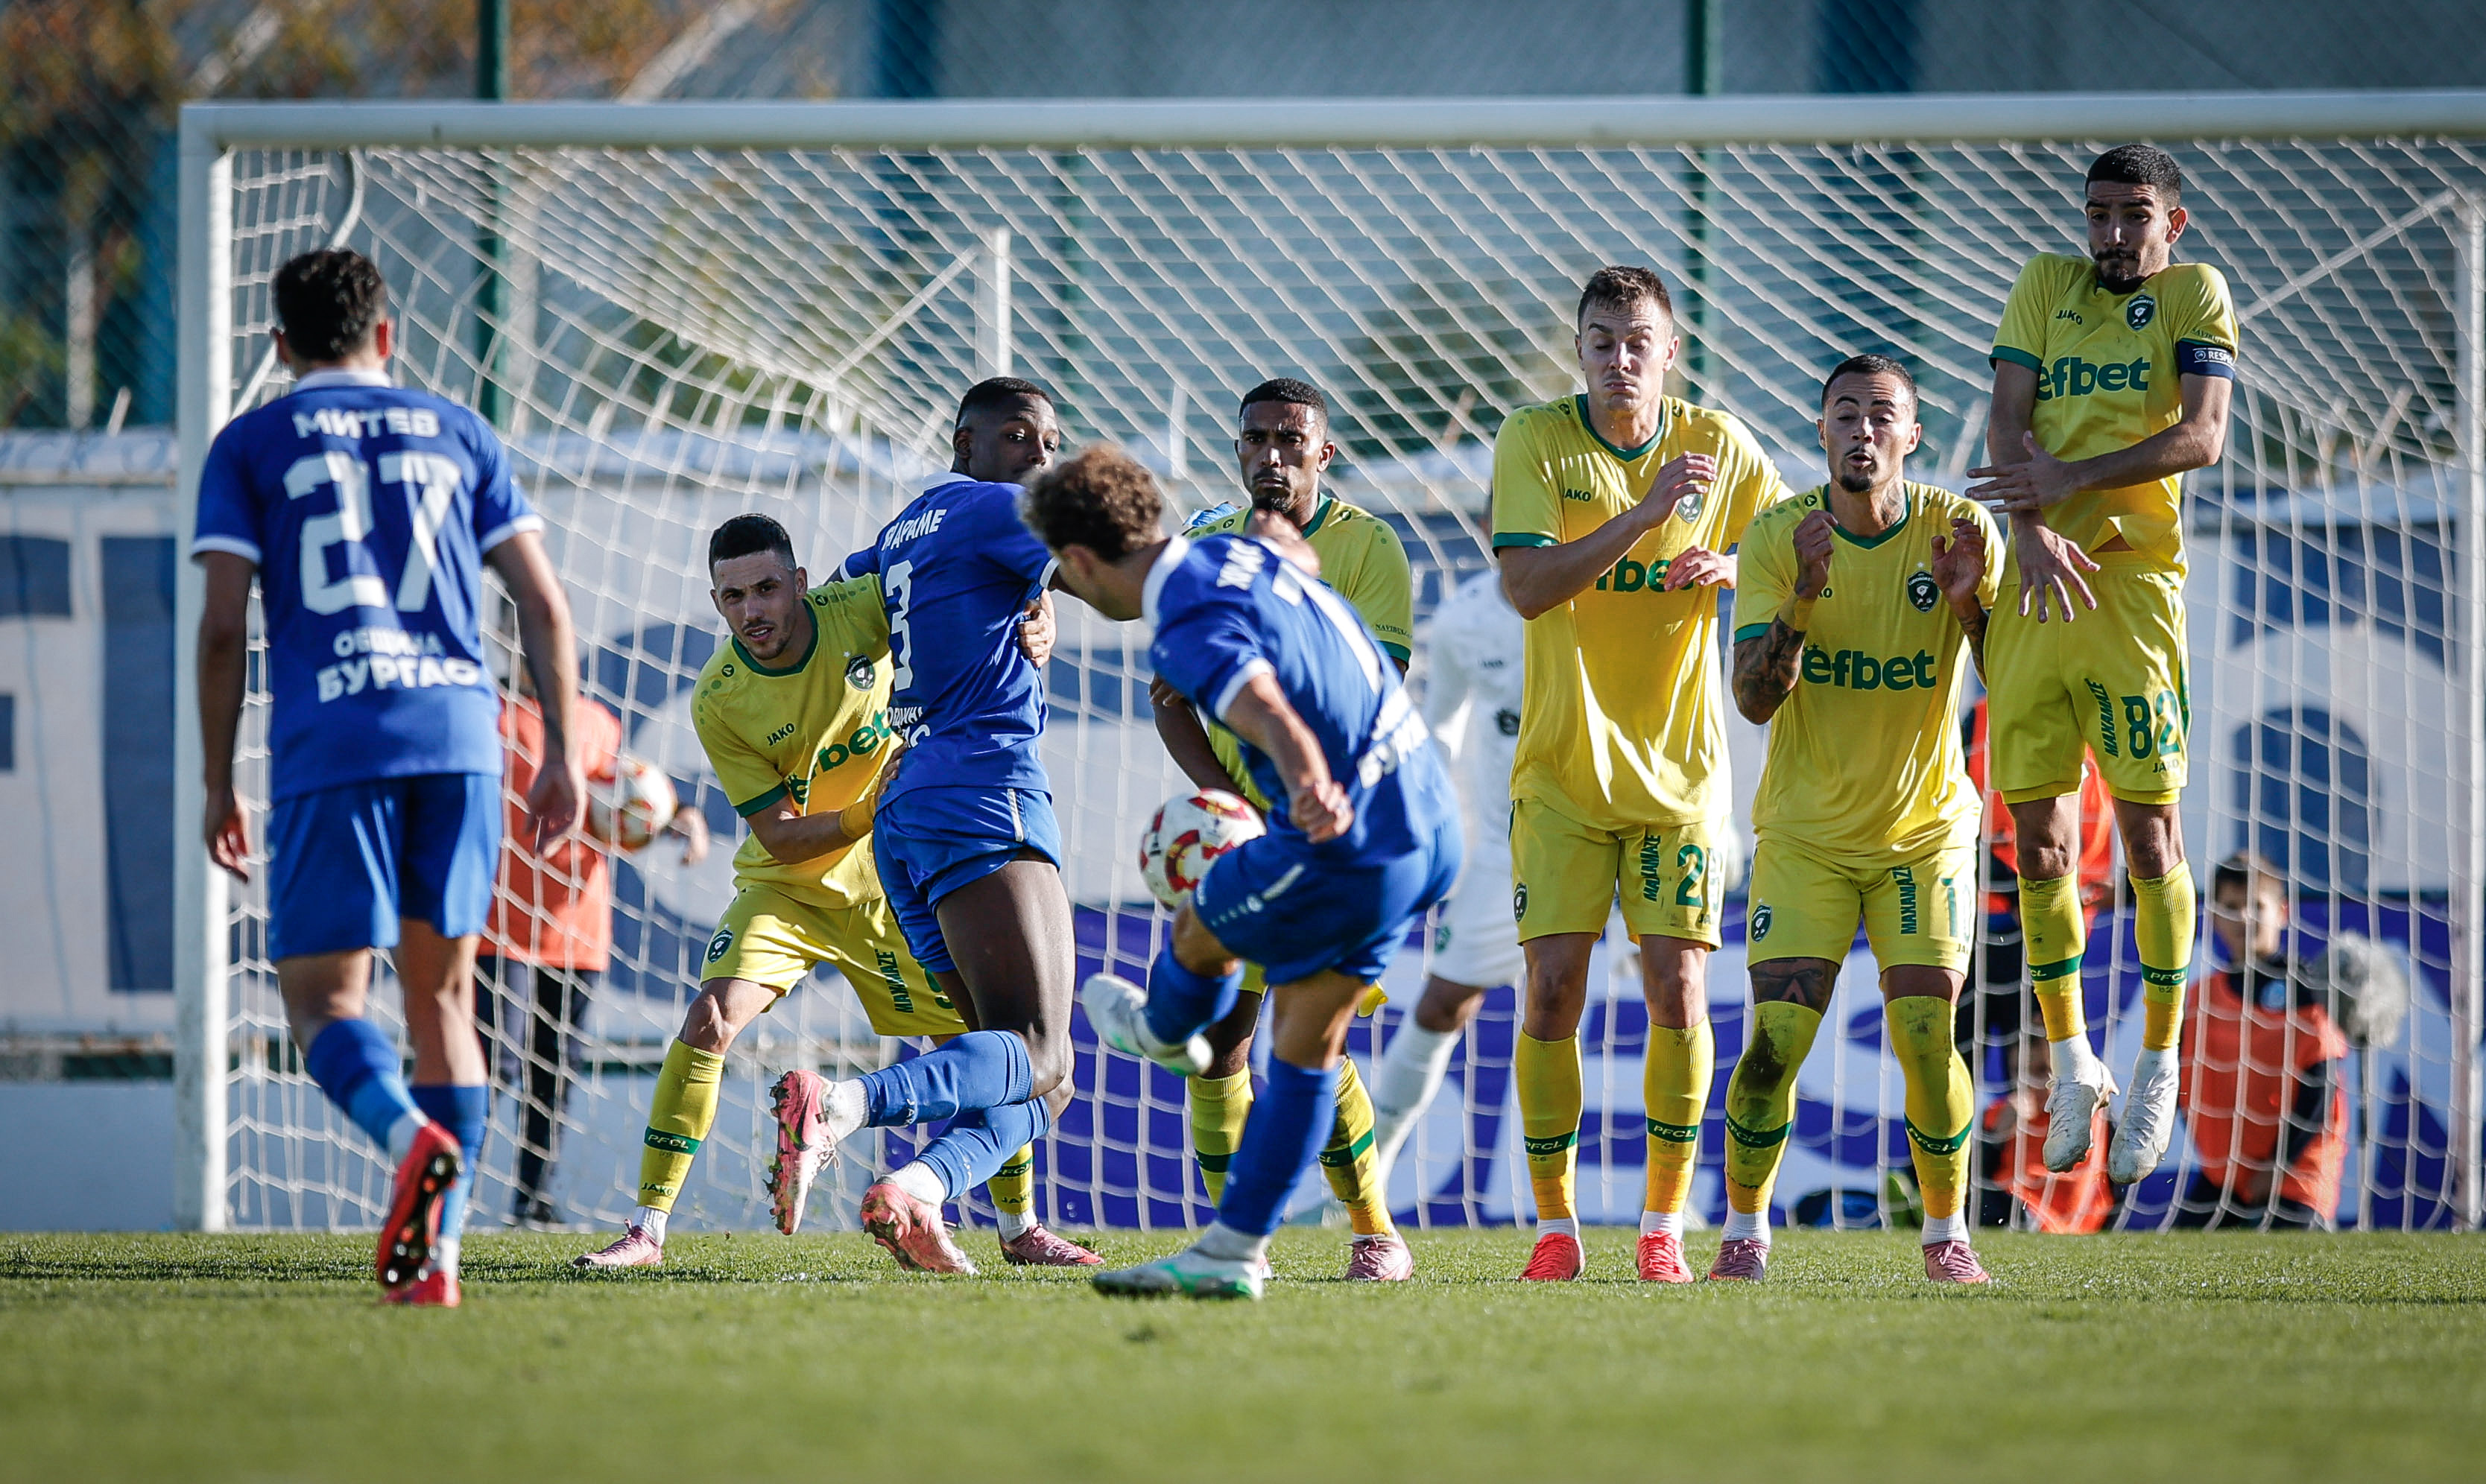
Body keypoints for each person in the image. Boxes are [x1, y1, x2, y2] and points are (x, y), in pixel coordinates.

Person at [194, 247, 583, 1307]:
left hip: (337, 740)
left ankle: (410, 1139)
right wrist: (557, 751)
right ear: (386, 334)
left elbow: (223, 628)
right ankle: (435, 1263)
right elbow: (543, 604)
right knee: (444, 997)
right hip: (460, 736)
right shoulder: (459, 430)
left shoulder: (250, 443)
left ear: (281, 345)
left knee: (324, 1002)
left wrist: (218, 780)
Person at [572, 515, 1097, 1270]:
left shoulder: (861, 607)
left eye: (765, 589)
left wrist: (1038, 612)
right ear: (716, 603)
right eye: (733, 598)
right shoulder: (718, 696)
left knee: (990, 1043)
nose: (752, 611)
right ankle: (646, 1231)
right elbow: (780, 836)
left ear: (799, 583)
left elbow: (965, 590)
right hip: (789, 889)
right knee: (710, 1018)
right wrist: (862, 811)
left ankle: (1018, 1229)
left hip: (888, 885)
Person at [1031, 445, 1461, 1301]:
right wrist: (1277, 540)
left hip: (1346, 833)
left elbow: (1261, 703)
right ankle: (1233, 1252)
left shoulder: (1187, 620)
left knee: (1205, 914)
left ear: (1080, 561)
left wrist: (1307, 782)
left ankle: (1162, 1028)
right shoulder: (1234, 551)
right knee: (1306, 1044)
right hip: (1429, 818)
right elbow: (1294, 556)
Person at [1490, 264, 1789, 1281]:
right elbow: (1528, 586)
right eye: (1602, 341)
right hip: (1562, 776)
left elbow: (1803, 548)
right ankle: (1557, 1230)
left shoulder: (1722, 445)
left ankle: (1663, 1228)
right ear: (1579, 350)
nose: (1620, 359)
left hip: (1680, 780)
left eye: (1637, 342)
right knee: (1551, 994)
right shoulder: (1536, 440)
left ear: (1671, 351)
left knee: (1680, 989)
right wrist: (1647, 515)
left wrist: (1737, 567)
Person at [763, 378, 1084, 1275]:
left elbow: (837, 602)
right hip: (984, 790)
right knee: (1041, 1052)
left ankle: (920, 1190)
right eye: (1018, 435)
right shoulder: (996, 509)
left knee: (1028, 1073)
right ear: (965, 445)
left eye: (1051, 441)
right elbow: (1115, 574)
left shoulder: (903, 531)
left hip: (909, 810)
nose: (1040, 455)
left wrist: (1034, 602)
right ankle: (842, 1106)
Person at [1968, 144, 2237, 1185]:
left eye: (2134, 214)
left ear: (2175, 221)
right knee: (2035, 847)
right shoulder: (2046, 283)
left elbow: (2202, 437)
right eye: (2099, 214)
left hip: (2131, 597)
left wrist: (2069, 480)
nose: (2113, 233)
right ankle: (2076, 1064)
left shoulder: (2195, 293)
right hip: (2035, 586)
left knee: (2149, 836)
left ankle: (2159, 1063)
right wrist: (2031, 529)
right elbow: (2007, 420)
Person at [1712, 354, 2001, 1284]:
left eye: (1883, 415)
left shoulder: (1960, 532)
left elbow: (2018, 683)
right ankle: (1744, 1233)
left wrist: (1969, 604)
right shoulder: (1777, 536)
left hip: (1924, 834)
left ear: (1913, 434)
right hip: (1807, 838)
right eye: (1846, 413)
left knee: (1927, 1037)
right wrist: (1803, 594)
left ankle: (1947, 1236)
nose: (1863, 430)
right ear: (1823, 429)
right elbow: (1754, 700)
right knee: (1772, 1051)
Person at [1147, 378, 1415, 1281]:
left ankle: (1375, 1234)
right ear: (1237, 450)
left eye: (1291, 440)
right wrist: (1225, 804)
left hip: (1333, 830)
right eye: (1256, 438)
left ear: (1323, 453)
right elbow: (1170, 699)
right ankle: (1237, 1248)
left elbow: (1371, 698)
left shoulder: (1369, 548)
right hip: (1244, 833)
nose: (1272, 455)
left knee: (1313, 1034)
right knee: (1219, 1045)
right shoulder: (1205, 548)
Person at [478, 671, 706, 1231]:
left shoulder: (596, 721)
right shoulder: (488, 712)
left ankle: (534, 1201)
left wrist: (679, 816)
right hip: (497, 923)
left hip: (577, 928)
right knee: (494, 1061)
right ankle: (446, 1187)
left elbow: (624, 798)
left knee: (554, 1068)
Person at [1366, 565, 1525, 1186]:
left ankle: (1673, 1203)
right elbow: (1438, 736)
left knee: (1672, 998)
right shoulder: (1464, 618)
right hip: (1509, 850)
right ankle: (1367, 1177)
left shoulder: (1608, 589)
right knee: (1442, 1003)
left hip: (1626, 829)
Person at [2173, 853, 2348, 1230]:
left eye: (2256, 905)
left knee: (2291, 1262)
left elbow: (2320, 1090)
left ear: (2282, 912)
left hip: (2295, 1176)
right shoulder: (2201, 997)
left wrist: (2278, 1163)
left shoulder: (2306, 991)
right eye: (2231, 907)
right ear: (2214, 916)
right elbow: (2179, 1083)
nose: (2243, 917)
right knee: (2170, 1257)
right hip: (2225, 1177)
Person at [1976, 1033, 2117, 1234]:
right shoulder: (1998, 1113)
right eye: (2020, 1073)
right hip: (2010, 1205)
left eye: (2041, 1071)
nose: (2031, 1083)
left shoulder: (2090, 1114)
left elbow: (2113, 1184)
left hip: (2065, 1220)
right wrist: (1995, 1137)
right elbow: (1975, 1178)